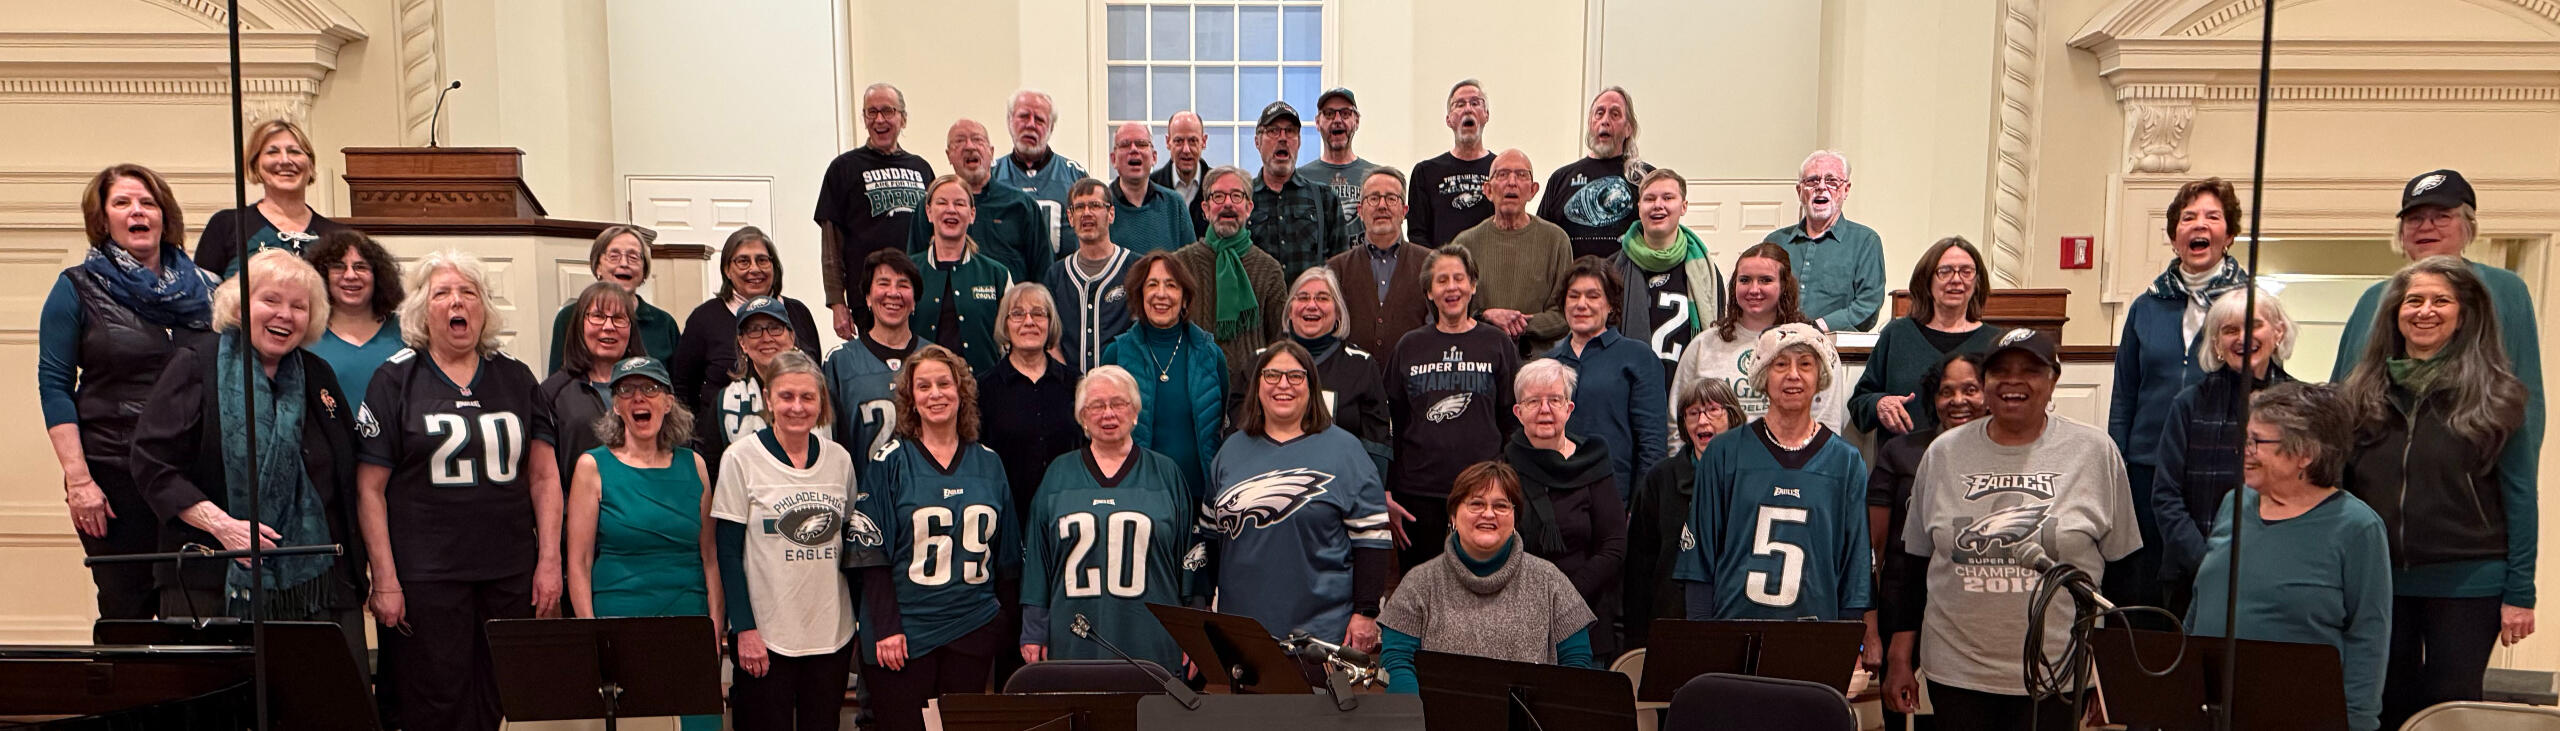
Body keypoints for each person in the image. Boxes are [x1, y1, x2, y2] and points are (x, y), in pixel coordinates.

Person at [1882, 329, 2139, 730]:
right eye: (2000, 371)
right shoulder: (1943, 454)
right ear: (1986, 383)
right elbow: (1913, 567)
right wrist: (1900, 657)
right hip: (1956, 672)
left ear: (2053, 380)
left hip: (2058, 674)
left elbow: (2124, 575)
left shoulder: (2095, 452)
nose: (2013, 381)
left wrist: (2113, 675)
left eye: (2030, 370)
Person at [357, 249, 562, 730]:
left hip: (508, 572)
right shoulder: (394, 379)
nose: (457, 302)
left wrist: (549, 561)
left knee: (499, 697)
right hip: (427, 576)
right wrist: (384, 578)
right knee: (434, 704)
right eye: (442, 293)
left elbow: (544, 476)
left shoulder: (515, 376)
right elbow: (369, 490)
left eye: (469, 292)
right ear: (420, 309)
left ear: (484, 308)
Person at [132, 249, 369, 662]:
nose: (285, 315)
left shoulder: (318, 375)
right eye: (270, 300)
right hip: (211, 581)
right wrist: (224, 527)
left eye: (299, 306)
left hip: (319, 587)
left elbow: (348, 476)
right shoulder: (196, 364)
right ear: (241, 306)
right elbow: (152, 464)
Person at [2339, 257, 2535, 728]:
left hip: (2470, 581)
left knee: (2451, 709)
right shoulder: (2358, 394)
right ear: (2395, 313)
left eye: (2441, 300)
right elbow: (2341, 490)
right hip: (2381, 580)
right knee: (2384, 704)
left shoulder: (2499, 396)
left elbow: (2520, 495)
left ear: (2463, 315)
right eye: (2414, 300)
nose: (2425, 311)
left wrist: (2521, 591)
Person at [41, 163, 210, 620]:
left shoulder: (209, 288)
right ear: (103, 219)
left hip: (191, 474)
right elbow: (54, 386)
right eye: (122, 202)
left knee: (195, 608)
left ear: (164, 215)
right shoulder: (76, 287)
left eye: (147, 202)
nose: (137, 211)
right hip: (114, 475)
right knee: (126, 611)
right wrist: (79, 481)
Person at [2188, 382, 2392, 731]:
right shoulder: (2234, 504)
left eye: (2258, 441)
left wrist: (2356, 722)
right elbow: (2201, 600)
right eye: (2245, 438)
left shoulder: (2357, 527)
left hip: (2299, 714)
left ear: (2305, 453)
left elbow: (2368, 636)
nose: (2244, 451)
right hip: (2212, 711)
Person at [844, 344, 1018, 731]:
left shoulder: (988, 462)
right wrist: (886, 628)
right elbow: (871, 553)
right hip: (905, 633)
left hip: (971, 627)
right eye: (924, 386)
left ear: (962, 391)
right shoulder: (889, 461)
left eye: (944, 384)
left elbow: (1006, 557)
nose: (935, 394)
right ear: (911, 397)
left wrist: (999, 624)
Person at [2109, 177, 2252, 626]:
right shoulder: (2146, 306)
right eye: (2188, 218)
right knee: (2143, 587)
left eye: (2212, 216)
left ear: (2229, 235)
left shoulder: (2250, 306)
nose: (2199, 225)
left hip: (2216, 467)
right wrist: (2117, 462)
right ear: (2174, 237)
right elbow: (2124, 394)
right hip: (2146, 467)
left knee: (2205, 587)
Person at [1194, 341, 1393, 649]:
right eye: (1272, 375)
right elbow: (1209, 538)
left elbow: (1372, 540)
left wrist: (1365, 612)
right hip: (1242, 630)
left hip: (1321, 635)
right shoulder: (1231, 450)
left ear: (1311, 386)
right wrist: (1203, 602)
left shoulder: (1346, 451)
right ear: (1257, 385)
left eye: (1295, 376)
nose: (1283, 385)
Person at [1676, 324, 1870, 623]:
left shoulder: (1846, 462)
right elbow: (1698, 560)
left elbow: (1855, 569)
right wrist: (1702, 635)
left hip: (1815, 635)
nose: (1793, 374)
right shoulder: (1723, 453)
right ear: (1762, 376)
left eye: (1805, 364)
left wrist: (1846, 638)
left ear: (1820, 376)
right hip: (1732, 631)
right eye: (1780, 364)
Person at [563, 356, 716, 731]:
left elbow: (710, 558)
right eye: (626, 390)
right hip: (620, 623)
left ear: (668, 401)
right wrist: (591, 636)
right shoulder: (592, 467)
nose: (638, 398)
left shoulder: (695, 465)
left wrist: (713, 630)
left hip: (687, 620)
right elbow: (579, 562)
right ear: (616, 405)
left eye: (650, 388)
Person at [1019, 366, 1196, 675]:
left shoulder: (1166, 474)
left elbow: (1190, 561)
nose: (1108, 413)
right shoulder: (1059, 475)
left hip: (1153, 636)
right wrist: (1034, 628)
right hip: (1074, 635)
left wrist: (1195, 633)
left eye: (1118, 403)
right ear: (1082, 417)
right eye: (1097, 405)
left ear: (1135, 411)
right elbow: (1038, 558)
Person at [713, 350, 857, 731]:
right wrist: (744, 629)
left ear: (821, 401)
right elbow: (727, 552)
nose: (797, 406)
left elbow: (849, 546)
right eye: (787, 396)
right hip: (766, 637)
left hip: (831, 635)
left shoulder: (839, 460)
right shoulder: (740, 459)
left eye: (807, 397)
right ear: (768, 398)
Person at [2334, 170, 2543, 430]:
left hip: (2471, 445)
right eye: (2415, 218)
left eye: (2442, 216)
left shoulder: (2504, 290)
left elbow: (2526, 392)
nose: (2426, 226)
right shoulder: (2374, 299)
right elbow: (2343, 389)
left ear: (2469, 226)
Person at [1379, 461, 1598, 693]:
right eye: (1476, 504)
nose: (1488, 514)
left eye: (1501, 506)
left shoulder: (1549, 580)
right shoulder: (1419, 582)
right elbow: (1398, 662)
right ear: (1453, 515)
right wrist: (1422, 712)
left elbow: (1577, 663)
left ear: (1515, 517)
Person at [2152, 289, 2298, 595]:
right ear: (2217, 344)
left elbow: (2313, 494)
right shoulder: (2188, 404)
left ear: (2278, 332)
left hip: (2281, 574)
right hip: (2193, 576)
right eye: (2230, 330)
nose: (2243, 338)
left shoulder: (2303, 407)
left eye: (2254, 325)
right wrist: (2207, 563)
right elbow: (2166, 496)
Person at [1388, 244, 1522, 569]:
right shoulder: (1409, 346)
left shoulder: (1497, 344)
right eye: (1442, 280)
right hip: (1418, 494)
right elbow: (1391, 422)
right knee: (1422, 587)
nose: (1452, 287)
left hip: (1483, 493)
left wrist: (1505, 482)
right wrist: (1387, 488)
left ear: (1473, 285)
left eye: (1459, 278)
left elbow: (1512, 419)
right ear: (1429, 292)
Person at [1869, 351, 1985, 724]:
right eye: (1946, 391)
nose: (1957, 400)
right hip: (1902, 603)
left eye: (1971, 389)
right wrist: (1871, 626)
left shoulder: (2009, 460)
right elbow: (1873, 548)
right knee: (1900, 714)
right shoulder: (1902, 452)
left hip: (1970, 612)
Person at [1502, 358, 1627, 657]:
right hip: (1518, 618)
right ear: (1518, 412)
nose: (1545, 409)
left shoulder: (1594, 461)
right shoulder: (1503, 470)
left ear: (1569, 409)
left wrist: (1564, 598)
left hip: (1586, 613)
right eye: (1533, 401)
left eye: (1554, 400)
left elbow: (1614, 546)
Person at [1623, 379, 1747, 649]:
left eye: (1712, 410)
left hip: (1736, 618)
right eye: (1693, 413)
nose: (1702, 421)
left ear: (1732, 417)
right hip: (1671, 621)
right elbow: (1639, 567)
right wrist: (1637, 639)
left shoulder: (1753, 476)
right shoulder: (1660, 478)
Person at [1672, 243, 1847, 430]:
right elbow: (1677, 422)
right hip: (1716, 449)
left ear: (1784, 286)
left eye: (1765, 280)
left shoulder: (1815, 346)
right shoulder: (1703, 345)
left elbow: (1827, 424)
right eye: (1745, 280)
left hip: (1791, 449)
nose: (1754, 289)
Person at [1098, 252, 1227, 497]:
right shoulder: (1116, 355)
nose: (1161, 294)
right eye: (1152, 285)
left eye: (1171, 285)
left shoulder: (1210, 355)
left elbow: (1221, 423)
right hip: (1137, 495)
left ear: (1185, 297)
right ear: (1140, 294)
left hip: (1200, 494)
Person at [819, 82, 935, 339]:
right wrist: (837, 303)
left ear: (903, 118)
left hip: (918, 295)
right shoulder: (843, 168)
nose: (879, 119)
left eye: (888, 111)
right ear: (864, 118)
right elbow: (831, 246)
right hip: (869, 298)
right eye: (871, 112)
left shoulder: (922, 169)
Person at [1851, 236, 2000, 437]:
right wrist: (1880, 404)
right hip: (1905, 455)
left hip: (1974, 454)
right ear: (1927, 279)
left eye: (1966, 271)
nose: (1956, 279)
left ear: (1977, 282)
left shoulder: (1995, 342)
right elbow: (1859, 404)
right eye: (1945, 271)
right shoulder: (1897, 334)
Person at [1546, 256, 1668, 498]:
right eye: (1573, 296)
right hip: (1554, 497)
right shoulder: (1547, 363)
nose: (1581, 304)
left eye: (1593, 296)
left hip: (1614, 498)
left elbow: (1652, 443)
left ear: (1611, 304)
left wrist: (1640, 506)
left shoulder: (1638, 357)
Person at [673, 226, 823, 418]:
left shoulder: (798, 312)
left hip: (797, 425)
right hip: (723, 432)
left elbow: (816, 374)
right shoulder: (704, 319)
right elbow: (683, 388)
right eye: (743, 261)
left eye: (762, 260)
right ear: (727, 270)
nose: (754, 269)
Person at [1450, 149, 1573, 355]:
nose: (1512, 182)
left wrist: (1517, 324)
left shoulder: (1556, 240)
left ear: (1533, 190)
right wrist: (1486, 317)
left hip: (1536, 362)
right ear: (1488, 190)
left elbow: (1564, 313)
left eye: (1521, 175)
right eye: (1502, 174)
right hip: (1479, 358)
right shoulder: (1464, 244)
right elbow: (1452, 307)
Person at [1276, 267, 1393, 484]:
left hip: (1343, 489)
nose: (1312, 305)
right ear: (1290, 310)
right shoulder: (1262, 364)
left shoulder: (1361, 365)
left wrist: (1372, 492)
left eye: (1322, 298)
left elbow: (1376, 441)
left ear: (1338, 311)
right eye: (1303, 297)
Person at [1609, 168, 1724, 383]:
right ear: (1639, 207)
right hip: (1627, 386)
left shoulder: (1706, 272)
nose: (1658, 205)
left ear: (1684, 206)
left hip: (1687, 389)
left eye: (1668, 198)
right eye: (1649, 199)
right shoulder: (1613, 268)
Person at [196, 118, 351, 276]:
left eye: (294, 152)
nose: (285, 160)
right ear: (255, 165)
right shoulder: (228, 225)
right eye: (272, 152)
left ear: (310, 165)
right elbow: (202, 289)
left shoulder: (337, 235)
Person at [980, 282, 1085, 512]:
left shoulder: (1075, 383)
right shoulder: (984, 388)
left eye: (1038, 313)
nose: (1029, 322)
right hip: (1007, 513)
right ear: (1005, 325)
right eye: (1018, 314)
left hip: (1068, 509)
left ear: (1050, 323)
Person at [1174, 166, 1287, 370]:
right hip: (1193, 379)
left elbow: (1280, 342)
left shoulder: (1269, 270)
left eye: (1236, 196)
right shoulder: (1180, 264)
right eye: (1218, 196)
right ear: (1206, 209)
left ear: (1249, 207)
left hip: (1251, 383)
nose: (1227, 203)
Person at [535, 282, 644, 496]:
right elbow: (544, 474)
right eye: (598, 316)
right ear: (579, 325)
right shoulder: (553, 392)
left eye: (619, 318)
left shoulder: (652, 388)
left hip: (641, 508)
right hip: (577, 510)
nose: (609, 326)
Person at [909, 120, 1048, 283]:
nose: (969, 146)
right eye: (959, 141)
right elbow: (913, 269)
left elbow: (1043, 271)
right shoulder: (931, 206)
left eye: (977, 140)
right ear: (949, 155)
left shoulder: (1022, 205)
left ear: (991, 152)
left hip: (1009, 298)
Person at [1762, 150, 1886, 332]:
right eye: (1812, 181)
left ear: (1846, 190)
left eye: (1831, 181)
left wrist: (1816, 327)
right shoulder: (1775, 242)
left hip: (1834, 346)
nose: (1821, 187)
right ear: (1799, 191)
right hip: (1777, 343)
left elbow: (1868, 305)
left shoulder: (1866, 241)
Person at [825, 249, 927, 462]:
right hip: (863, 482)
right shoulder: (840, 362)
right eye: (883, 283)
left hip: (924, 482)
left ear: (915, 300)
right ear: (868, 297)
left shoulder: (935, 358)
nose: (893, 293)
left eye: (903, 285)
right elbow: (827, 442)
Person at [913, 174, 1019, 372]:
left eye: (959, 204)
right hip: (924, 386)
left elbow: (1013, 343)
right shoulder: (908, 271)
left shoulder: (997, 275)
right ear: (929, 212)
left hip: (984, 387)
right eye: (942, 203)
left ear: (972, 214)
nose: (951, 210)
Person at [700, 296, 822, 469]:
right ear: (742, 343)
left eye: (775, 328)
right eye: (754, 330)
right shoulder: (725, 403)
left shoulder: (821, 392)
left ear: (792, 336)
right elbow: (715, 471)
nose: (766, 338)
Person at [1325, 167, 1433, 358]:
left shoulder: (1430, 265)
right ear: (1360, 210)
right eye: (1373, 198)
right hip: (1354, 375)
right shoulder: (1336, 269)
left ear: (1404, 211)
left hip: (1413, 373)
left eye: (1391, 198)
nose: (1382, 206)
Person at [545, 224, 681, 373]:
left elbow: (677, 383)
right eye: (614, 256)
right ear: (598, 266)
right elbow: (556, 380)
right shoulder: (569, 317)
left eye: (633, 257)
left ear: (644, 270)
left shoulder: (664, 323)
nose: (624, 264)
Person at [1541, 86, 1653, 261]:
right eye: (1599, 113)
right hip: (1573, 277)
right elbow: (1541, 242)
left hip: (1628, 277)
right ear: (1590, 124)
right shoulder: (1560, 178)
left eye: (1615, 114)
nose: (1605, 120)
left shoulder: (1645, 178)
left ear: (1628, 128)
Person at [1243, 101, 1346, 281]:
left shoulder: (1325, 199)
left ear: (1299, 142)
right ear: (1257, 142)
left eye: (1290, 131)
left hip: (1310, 299)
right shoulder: (1241, 199)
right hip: (1258, 299)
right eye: (1273, 131)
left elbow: (1342, 270)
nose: (1282, 138)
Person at [305, 229, 406, 409]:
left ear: (378, 276)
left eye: (361, 267)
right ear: (323, 275)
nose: (350, 275)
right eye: (338, 267)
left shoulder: (406, 330)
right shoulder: (307, 334)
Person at [1048, 179, 1137, 373]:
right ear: (1070, 217)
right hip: (1070, 387)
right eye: (1079, 207)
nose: (1086, 213)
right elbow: (1051, 341)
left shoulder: (1136, 268)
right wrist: (1067, 382)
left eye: (1095, 205)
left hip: (1124, 384)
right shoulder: (1056, 275)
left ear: (1111, 214)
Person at [992, 89, 1091, 261]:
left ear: (1051, 128)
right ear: (1009, 121)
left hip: (1060, 275)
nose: (1031, 124)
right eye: (1024, 116)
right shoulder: (991, 174)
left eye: (1039, 119)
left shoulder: (1075, 175)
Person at [1408, 79, 1495, 247]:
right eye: (1460, 104)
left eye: (1475, 103)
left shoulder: (1501, 171)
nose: (1468, 109)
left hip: (1490, 262)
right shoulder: (1425, 172)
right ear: (1448, 119)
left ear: (1486, 115)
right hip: (1442, 262)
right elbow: (1417, 234)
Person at [1104, 122, 1193, 252]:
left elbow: (1191, 261)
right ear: (1113, 159)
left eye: (1141, 144)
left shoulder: (1174, 204)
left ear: (1154, 157)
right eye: (1125, 145)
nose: (1134, 150)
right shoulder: (1101, 206)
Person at [1301, 87, 1378, 233]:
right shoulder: (1301, 179)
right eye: (1329, 114)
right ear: (1317, 122)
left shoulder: (1376, 177)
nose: (1337, 120)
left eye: (1345, 113)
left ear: (1356, 121)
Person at [1152, 110, 1211, 213]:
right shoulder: (1150, 188)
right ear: (1168, 142)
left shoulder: (1218, 187)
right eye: (1178, 141)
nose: (1186, 150)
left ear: (1204, 141)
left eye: (1193, 141)